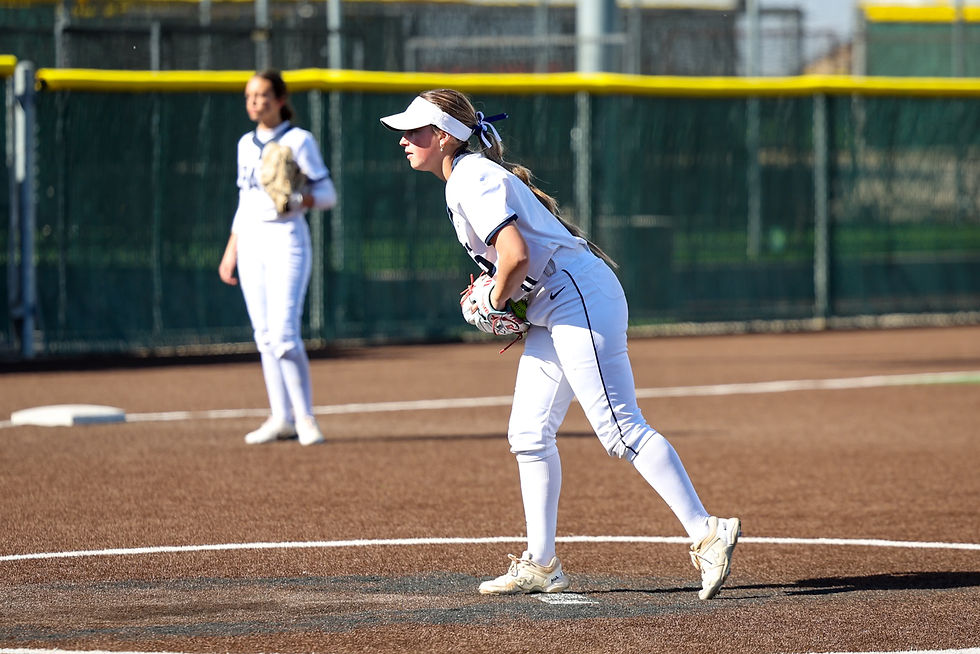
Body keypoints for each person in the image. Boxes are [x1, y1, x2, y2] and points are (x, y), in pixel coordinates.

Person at [380, 90, 740, 600]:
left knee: (619, 428)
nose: (404, 139)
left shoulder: (471, 177)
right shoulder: (466, 177)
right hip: (560, 303)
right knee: (528, 433)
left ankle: (707, 529)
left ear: (444, 137)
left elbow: (515, 255)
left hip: (577, 298)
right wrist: (507, 297)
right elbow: (519, 259)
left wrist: (496, 303)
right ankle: (543, 564)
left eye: (416, 130)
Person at [219, 70, 337, 446]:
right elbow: (244, 202)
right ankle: (281, 417)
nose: (256, 102)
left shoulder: (299, 140)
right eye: (250, 96)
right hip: (251, 242)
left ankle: (305, 418)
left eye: (263, 95)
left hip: (287, 240)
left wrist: (300, 199)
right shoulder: (244, 144)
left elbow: (329, 195)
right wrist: (230, 251)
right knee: (265, 336)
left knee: (285, 335)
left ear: (281, 99)